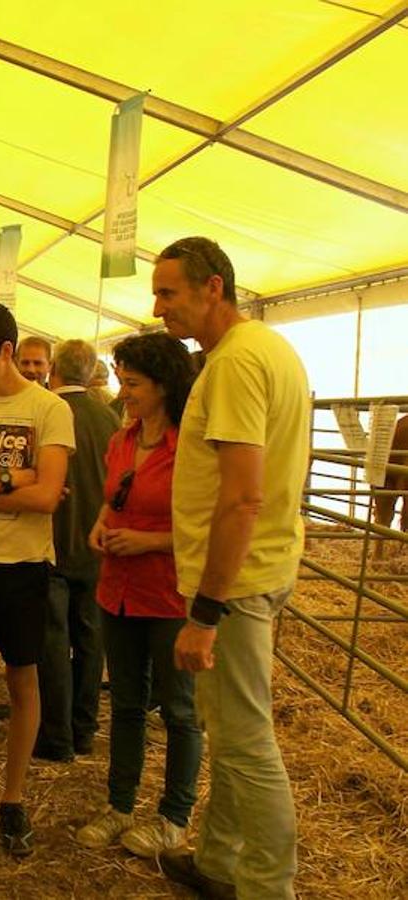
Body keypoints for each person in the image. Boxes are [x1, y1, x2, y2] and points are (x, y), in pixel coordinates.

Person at [150, 237, 309, 900]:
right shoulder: (264, 350)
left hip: (236, 586)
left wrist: (206, 612)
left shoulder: (238, 363)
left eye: (169, 293)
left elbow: (243, 494)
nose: (159, 308)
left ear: (212, 287)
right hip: (258, 570)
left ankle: (269, 889)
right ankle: (218, 862)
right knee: (231, 730)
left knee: (246, 744)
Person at [0, 302, 74, 857]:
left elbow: (48, 496)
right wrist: (16, 478)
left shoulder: (49, 409)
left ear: (6, 351)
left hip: (23, 565)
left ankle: (13, 795)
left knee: (24, 680)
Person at [75, 332, 202, 860]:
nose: (123, 392)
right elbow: (113, 498)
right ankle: (120, 804)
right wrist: (101, 527)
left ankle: (174, 816)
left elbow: (206, 525)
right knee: (126, 703)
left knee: (178, 707)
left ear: (165, 386)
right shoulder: (122, 440)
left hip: (169, 594)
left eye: (133, 383)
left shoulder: (191, 449)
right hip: (118, 589)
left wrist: (149, 540)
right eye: (121, 381)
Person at [35, 339, 120, 762]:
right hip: (97, 544)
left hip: (53, 539)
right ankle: (84, 728)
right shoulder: (111, 418)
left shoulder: (48, 413)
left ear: (54, 370)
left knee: (53, 640)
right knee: (91, 638)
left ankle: (56, 736)